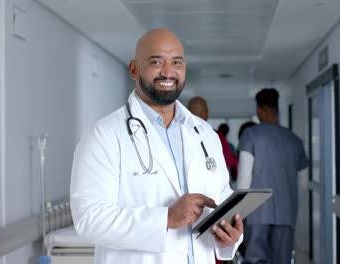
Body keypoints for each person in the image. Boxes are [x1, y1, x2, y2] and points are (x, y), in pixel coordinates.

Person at [70, 28, 243, 264]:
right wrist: (167, 218)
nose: (168, 72)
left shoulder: (204, 134)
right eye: (156, 61)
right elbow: (88, 220)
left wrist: (230, 236)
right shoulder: (104, 135)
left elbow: (222, 199)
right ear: (134, 69)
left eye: (177, 62)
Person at [237, 88, 308, 264]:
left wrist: (238, 215)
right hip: (286, 215)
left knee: (254, 260)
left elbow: (243, 182)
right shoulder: (294, 140)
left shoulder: (250, 135)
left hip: (256, 215)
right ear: (277, 108)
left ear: (259, 109)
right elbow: (303, 184)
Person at [187, 97, 238, 188]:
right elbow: (226, 166)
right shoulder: (216, 136)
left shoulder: (176, 133)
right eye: (207, 110)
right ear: (204, 113)